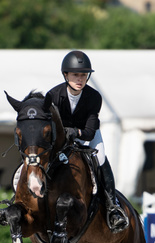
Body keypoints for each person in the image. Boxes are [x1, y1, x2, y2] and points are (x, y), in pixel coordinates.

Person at [47, 50, 128, 233]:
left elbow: (89, 132)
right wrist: (64, 133)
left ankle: (112, 207)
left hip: (86, 135)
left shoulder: (94, 97)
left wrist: (75, 131)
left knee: (101, 159)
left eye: (84, 75)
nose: (80, 79)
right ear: (66, 75)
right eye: (75, 74)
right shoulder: (53, 96)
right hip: (61, 139)